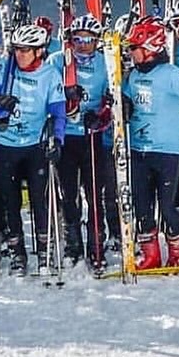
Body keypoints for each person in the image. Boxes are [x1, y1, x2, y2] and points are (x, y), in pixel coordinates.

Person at [122, 16, 179, 268]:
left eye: (134, 48)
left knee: (168, 206)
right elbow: (125, 100)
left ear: (150, 47)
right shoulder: (133, 75)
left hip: (168, 152)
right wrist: (120, 105)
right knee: (141, 205)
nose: (131, 53)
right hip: (139, 149)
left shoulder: (171, 74)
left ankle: (176, 252)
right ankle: (150, 254)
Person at [0, 23, 66, 276]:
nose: (20, 55)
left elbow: (58, 113)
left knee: (41, 201)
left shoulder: (50, 75)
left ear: (39, 51)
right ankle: (17, 252)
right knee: (10, 201)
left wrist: (58, 141)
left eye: (26, 50)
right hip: (4, 144)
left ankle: (44, 251)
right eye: (17, 49)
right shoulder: (4, 66)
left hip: (34, 146)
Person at [50, 13, 114, 272]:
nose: (83, 45)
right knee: (69, 195)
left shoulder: (105, 62)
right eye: (78, 40)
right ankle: (72, 245)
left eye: (89, 40)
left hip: (92, 138)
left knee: (94, 195)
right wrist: (65, 96)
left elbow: (112, 98)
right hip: (66, 137)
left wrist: (101, 118)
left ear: (97, 41)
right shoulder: (59, 61)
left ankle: (96, 245)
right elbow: (49, 94)